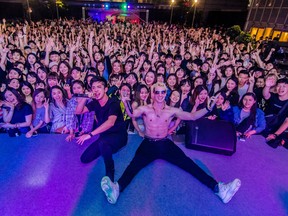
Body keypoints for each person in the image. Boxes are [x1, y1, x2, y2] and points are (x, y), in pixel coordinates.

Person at [100, 82, 241, 204]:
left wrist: (208, 108)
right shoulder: (145, 109)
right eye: (157, 92)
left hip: (164, 144)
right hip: (148, 144)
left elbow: (191, 116)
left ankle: (219, 189)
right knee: (133, 167)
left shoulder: (172, 110)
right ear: (153, 94)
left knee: (189, 164)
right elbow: (132, 114)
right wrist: (125, 102)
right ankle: (116, 189)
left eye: (163, 92)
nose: (160, 95)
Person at [75, 76, 128, 182]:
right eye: (93, 87)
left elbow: (110, 122)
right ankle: (105, 149)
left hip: (119, 136)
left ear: (106, 89)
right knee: (85, 158)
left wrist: (90, 135)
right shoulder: (94, 103)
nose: (95, 90)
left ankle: (110, 174)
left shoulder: (114, 102)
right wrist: (85, 98)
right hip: (105, 136)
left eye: (99, 87)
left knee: (103, 143)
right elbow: (78, 112)